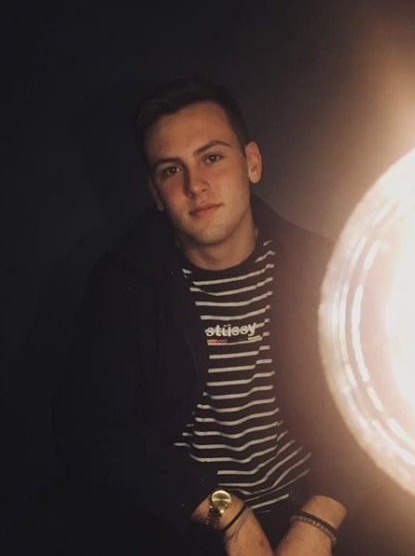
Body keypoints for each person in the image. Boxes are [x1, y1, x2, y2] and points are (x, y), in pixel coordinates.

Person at [54, 77, 378, 555]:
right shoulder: (125, 283)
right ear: (156, 192)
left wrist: (319, 518)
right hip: (194, 515)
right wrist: (228, 514)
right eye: (171, 170)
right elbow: (92, 430)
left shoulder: (321, 267)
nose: (195, 186)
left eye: (211, 158)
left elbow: (380, 401)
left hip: (313, 498)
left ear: (251, 163)